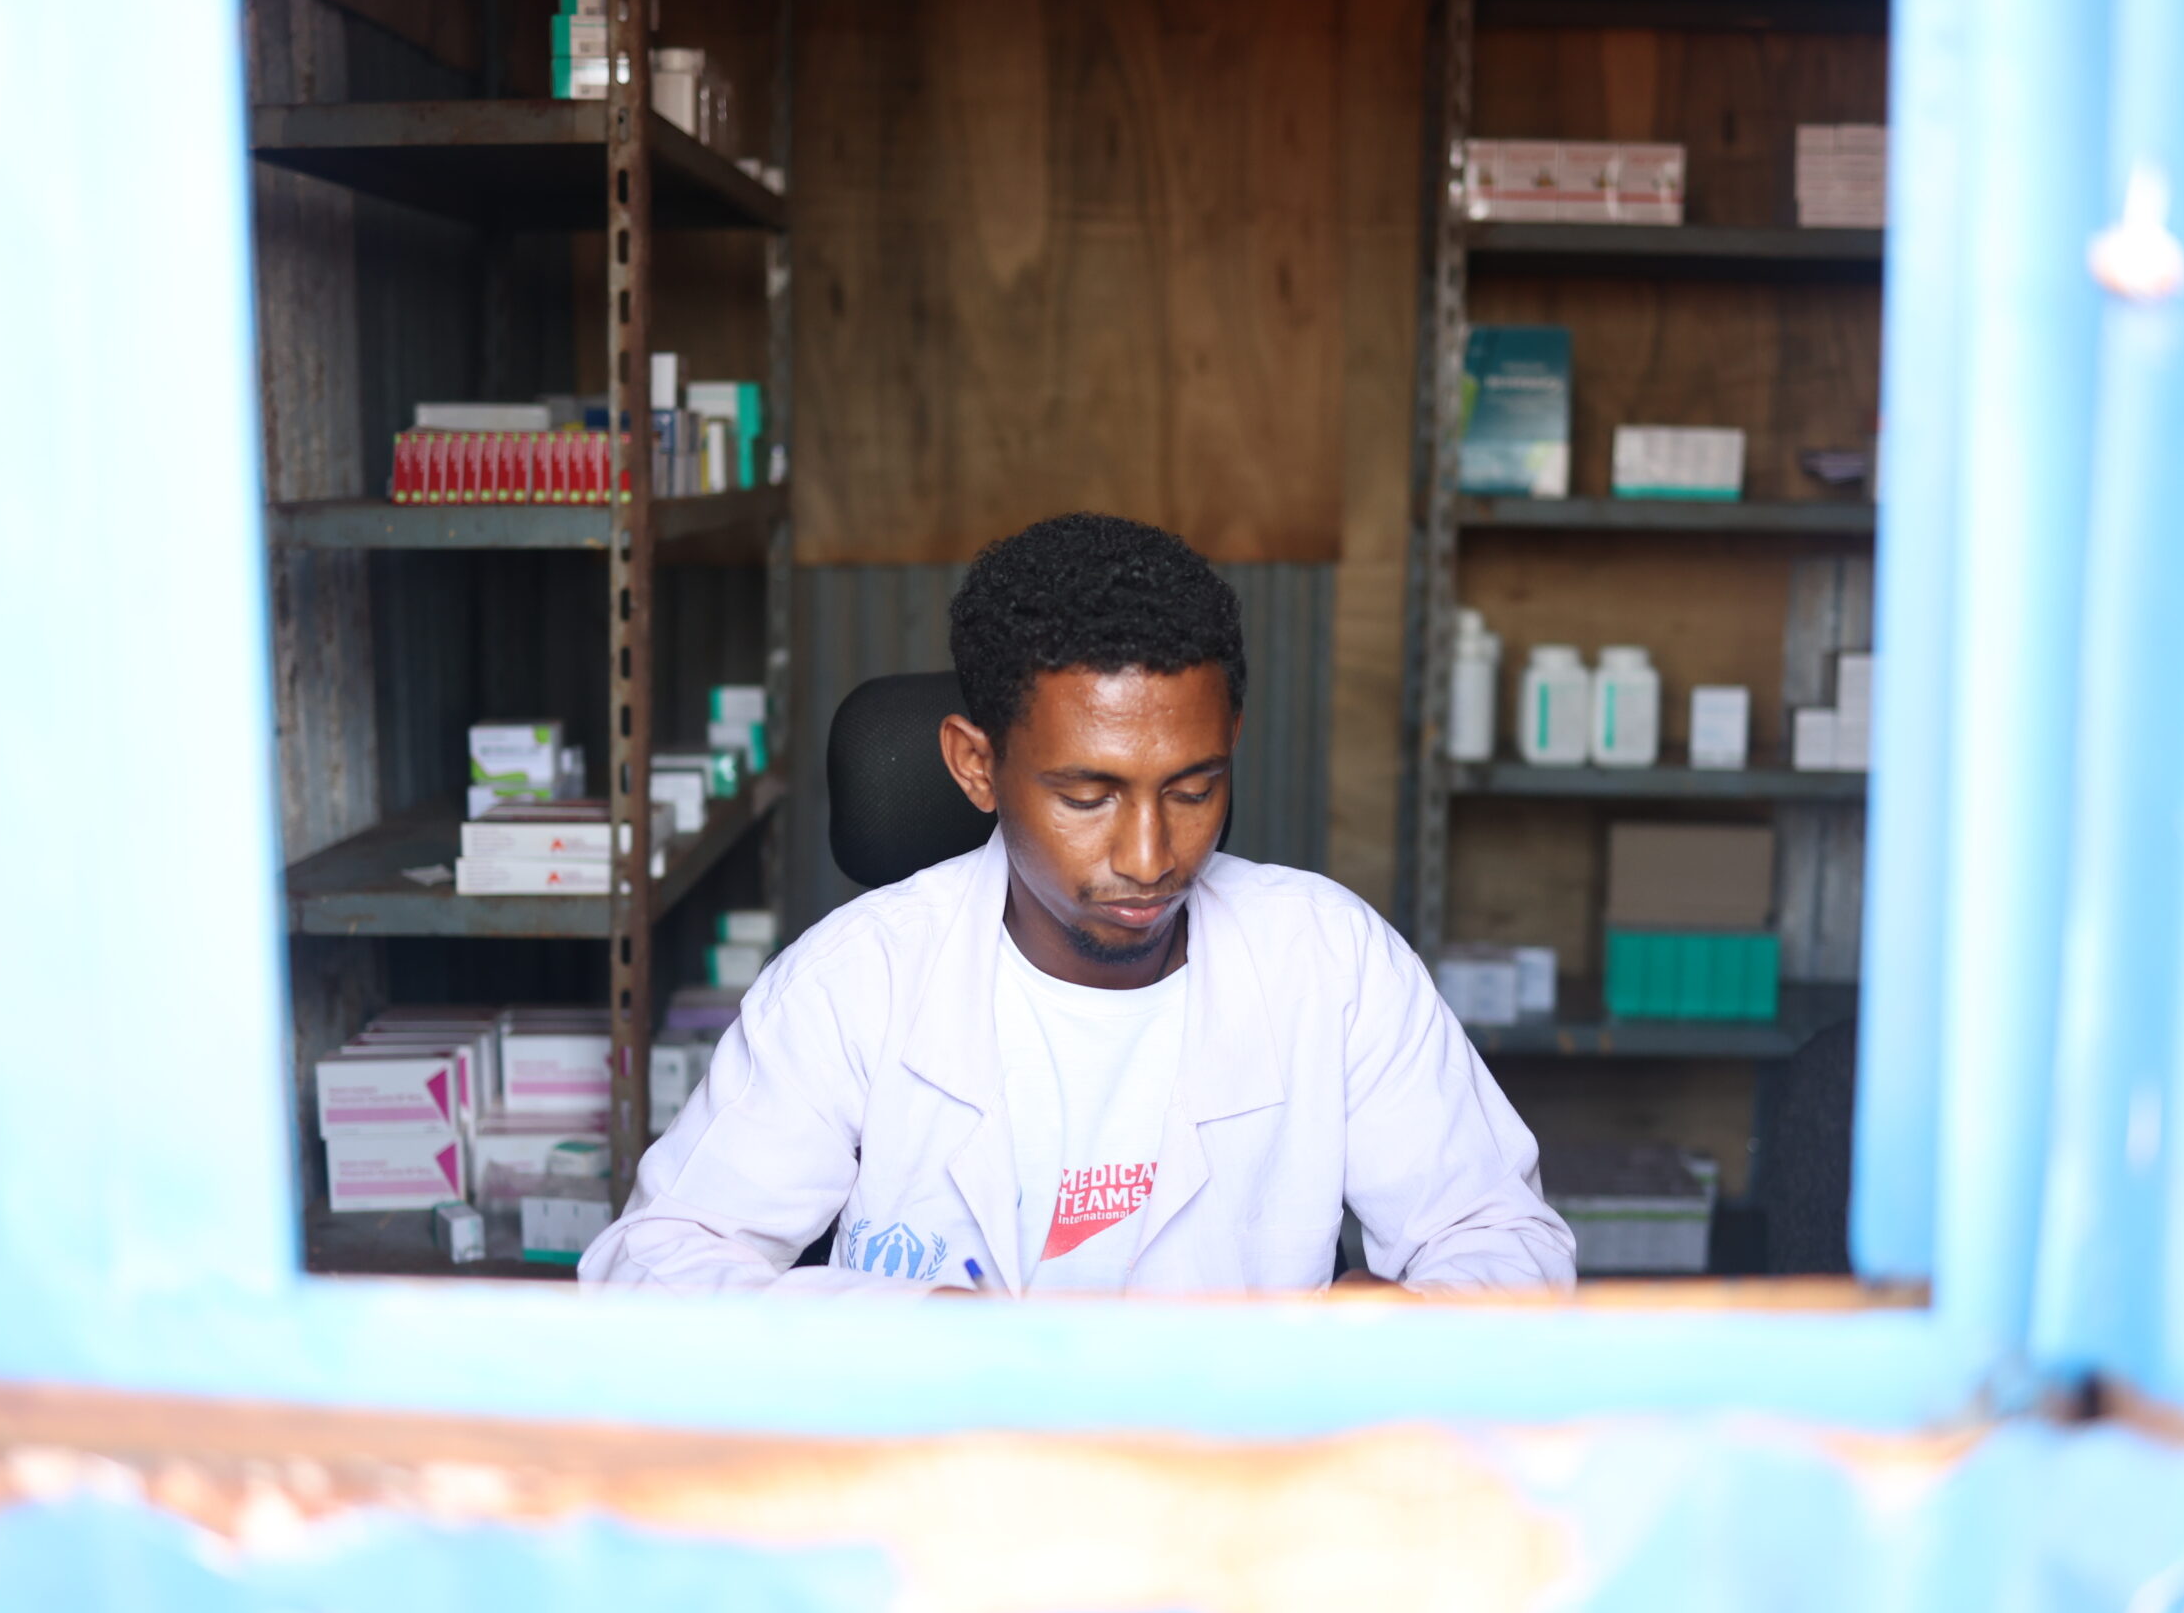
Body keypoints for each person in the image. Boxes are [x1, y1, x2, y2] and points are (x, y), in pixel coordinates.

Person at [580, 513, 1576, 1295]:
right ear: (977, 765)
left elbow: (1505, 1241)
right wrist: (902, 1324)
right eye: (1086, 796)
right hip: (950, 1512)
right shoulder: (856, 986)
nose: (1150, 858)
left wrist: (1418, 1313)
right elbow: (649, 1269)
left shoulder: (1329, 960)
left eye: (1192, 789)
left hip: (1237, 1509)